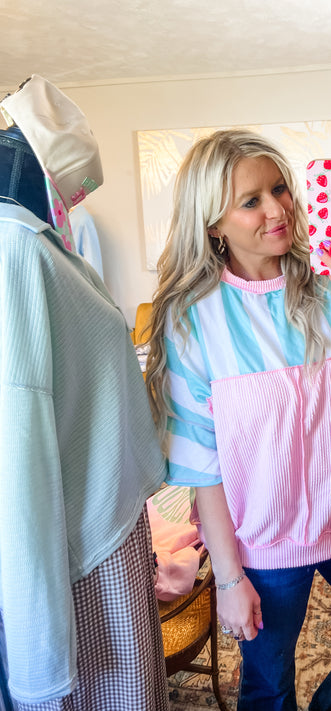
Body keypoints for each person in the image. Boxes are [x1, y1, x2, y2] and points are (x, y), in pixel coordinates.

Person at [146, 129, 331, 711]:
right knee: (269, 684)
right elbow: (202, 464)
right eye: (250, 201)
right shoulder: (192, 320)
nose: (277, 210)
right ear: (213, 223)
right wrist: (230, 579)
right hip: (265, 540)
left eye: (280, 190)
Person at [0, 76, 169, 710]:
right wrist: (39, 654)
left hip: (104, 524)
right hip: (77, 549)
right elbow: (18, 446)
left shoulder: (45, 250)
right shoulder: (14, 254)